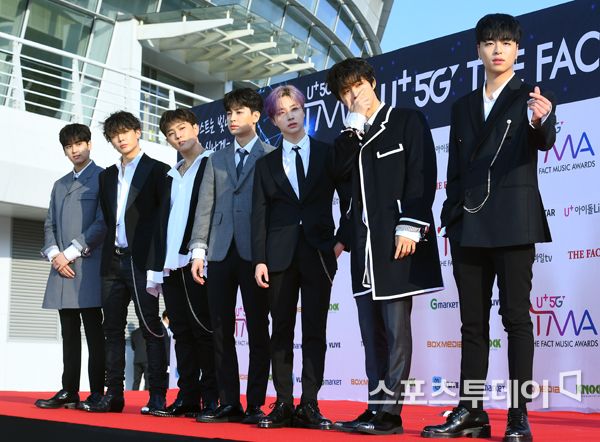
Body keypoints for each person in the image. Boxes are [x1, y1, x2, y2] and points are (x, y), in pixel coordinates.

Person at [421, 14, 556, 442]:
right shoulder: (462, 106)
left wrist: (541, 121)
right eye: (489, 42)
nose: (498, 49)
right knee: (472, 325)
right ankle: (471, 412)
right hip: (469, 226)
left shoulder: (531, 98)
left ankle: (518, 414)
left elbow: (543, 140)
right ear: (478, 50)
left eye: (506, 42)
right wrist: (451, 216)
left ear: (517, 49)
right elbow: (455, 169)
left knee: (516, 320)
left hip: (514, 222)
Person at [326, 58, 443, 435]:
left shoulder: (407, 120)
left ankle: (390, 415)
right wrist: (355, 126)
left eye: (358, 86)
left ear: (372, 82)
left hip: (396, 243)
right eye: (345, 92)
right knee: (370, 336)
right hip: (362, 250)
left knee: (395, 333)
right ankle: (375, 408)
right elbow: (341, 180)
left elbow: (421, 176)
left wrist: (410, 225)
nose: (354, 95)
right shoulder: (348, 137)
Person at [251, 85, 350, 430]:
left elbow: (350, 197)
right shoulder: (265, 164)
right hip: (278, 257)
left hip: (319, 253)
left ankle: (309, 403)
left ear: (304, 111)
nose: (290, 116)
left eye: (294, 109)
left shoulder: (327, 153)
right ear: (273, 121)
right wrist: (260, 259)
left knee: (315, 331)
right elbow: (259, 215)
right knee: (280, 330)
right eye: (281, 112)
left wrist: (341, 241)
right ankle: (282, 403)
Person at [189, 88, 273, 424]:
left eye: (239, 112)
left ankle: (255, 404)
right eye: (229, 114)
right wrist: (198, 250)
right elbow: (204, 207)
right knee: (220, 329)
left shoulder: (271, 155)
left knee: (258, 329)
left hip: (256, 254)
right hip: (219, 252)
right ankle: (228, 402)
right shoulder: (216, 159)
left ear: (256, 116)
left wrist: (268, 253)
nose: (232, 119)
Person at [79, 111, 170, 414]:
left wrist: (158, 261)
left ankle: (157, 395)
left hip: (141, 261)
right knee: (112, 330)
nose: (120, 138)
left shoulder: (158, 171)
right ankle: (114, 395)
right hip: (112, 261)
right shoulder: (106, 176)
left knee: (150, 327)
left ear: (137, 131)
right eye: (114, 135)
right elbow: (107, 219)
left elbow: (163, 221)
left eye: (125, 131)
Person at [145, 108, 218, 418]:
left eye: (182, 129)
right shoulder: (171, 175)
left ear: (196, 128)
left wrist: (201, 252)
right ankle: (188, 396)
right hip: (171, 264)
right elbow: (163, 221)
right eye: (171, 134)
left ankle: (212, 398)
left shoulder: (213, 162)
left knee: (204, 330)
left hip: (199, 261)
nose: (178, 137)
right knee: (182, 333)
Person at [35, 123, 106, 409]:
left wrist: (70, 253)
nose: (74, 150)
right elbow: (49, 223)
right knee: (68, 332)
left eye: (79, 143)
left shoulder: (103, 177)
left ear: (89, 144)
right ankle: (69, 390)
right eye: (68, 146)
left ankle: (97, 392)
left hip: (87, 266)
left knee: (94, 332)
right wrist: (55, 255)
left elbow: (102, 222)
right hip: (62, 269)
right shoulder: (60, 184)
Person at [130, 325, 148, 390]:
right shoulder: (148, 332)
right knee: (147, 379)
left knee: (136, 380)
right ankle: (147, 395)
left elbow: (133, 347)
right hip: (146, 359)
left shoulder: (134, 333)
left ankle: (133, 395)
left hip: (137, 359)